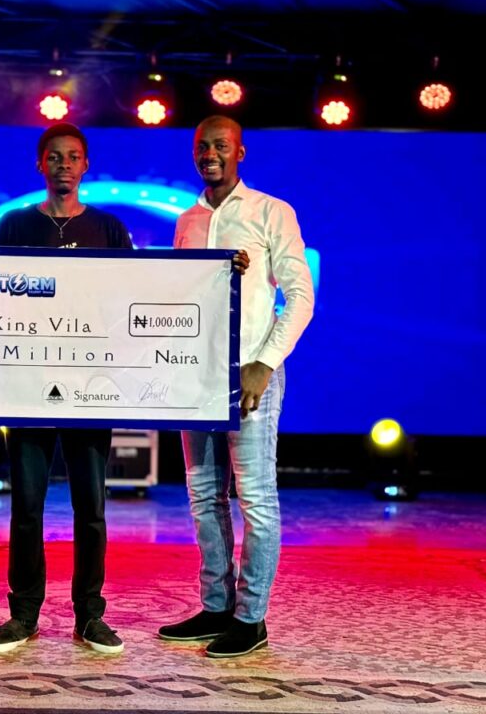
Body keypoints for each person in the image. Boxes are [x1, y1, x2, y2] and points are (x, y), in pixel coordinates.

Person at [158, 115, 315, 658]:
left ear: (240, 152)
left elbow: (300, 296)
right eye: (202, 146)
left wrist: (265, 364)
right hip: (197, 377)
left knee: (256, 499)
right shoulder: (187, 220)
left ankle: (251, 619)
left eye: (221, 145)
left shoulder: (271, 211)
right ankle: (216, 607)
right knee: (204, 497)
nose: (210, 154)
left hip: (250, 374)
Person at [0, 123, 131, 655]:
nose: (63, 164)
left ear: (85, 165)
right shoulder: (14, 224)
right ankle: (23, 614)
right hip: (27, 388)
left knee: (91, 509)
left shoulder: (109, 228)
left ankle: (90, 615)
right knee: (26, 507)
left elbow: (131, 299)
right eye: (54, 156)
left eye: (73, 156)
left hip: (90, 389)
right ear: (39, 164)